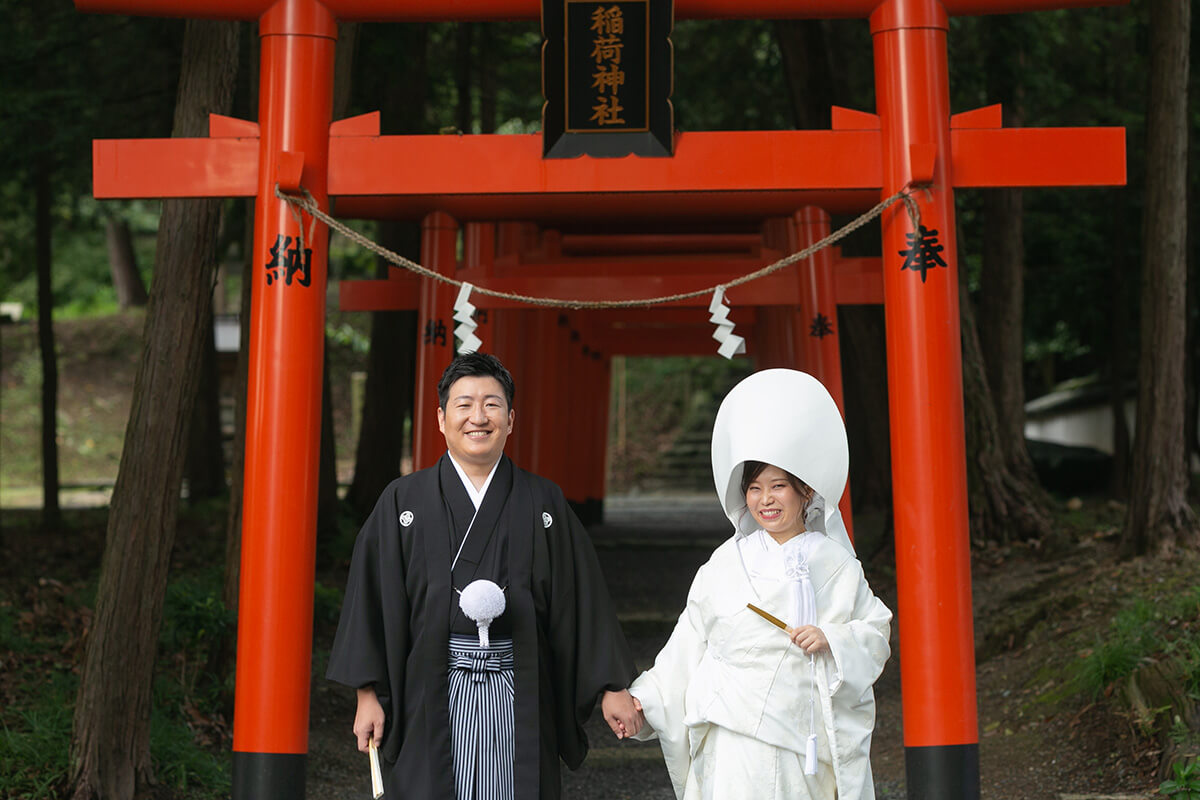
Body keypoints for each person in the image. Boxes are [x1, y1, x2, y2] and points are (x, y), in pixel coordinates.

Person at [327, 352, 642, 800]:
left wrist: (611, 685)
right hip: (428, 690)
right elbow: (371, 601)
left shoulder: (543, 501)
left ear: (511, 419)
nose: (479, 417)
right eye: (464, 405)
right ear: (440, 418)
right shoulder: (402, 502)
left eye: (492, 405)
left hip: (518, 687)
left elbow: (581, 599)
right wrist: (367, 694)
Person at [625, 369, 892, 800]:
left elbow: (875, 631)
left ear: (804, 491)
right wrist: (645, 700)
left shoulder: (836, 564)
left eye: (778, 486)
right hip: (731, 731)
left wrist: (832, 639)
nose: (765, 499)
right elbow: (690, 639)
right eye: (754, 488)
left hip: (798, 733)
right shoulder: (726, 562)